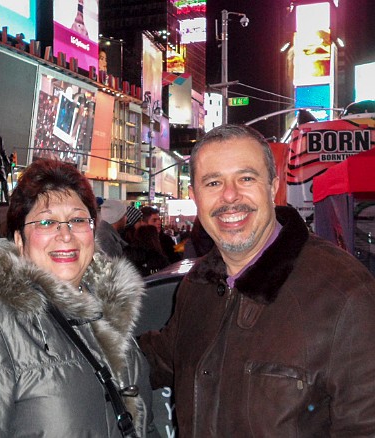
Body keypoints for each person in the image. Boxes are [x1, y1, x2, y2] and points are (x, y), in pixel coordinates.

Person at [138, 124, 375, 436]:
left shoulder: (343, 292)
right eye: (213, 182)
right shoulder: (199, 284)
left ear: (272, 186)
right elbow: (159, 358)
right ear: (195, 196)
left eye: (246, 178)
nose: (230, 195)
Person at [0, 158, 156, 437]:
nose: (65, 235)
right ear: (19, 240)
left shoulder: (109, 314)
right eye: (47, 222)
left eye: (77, 220)